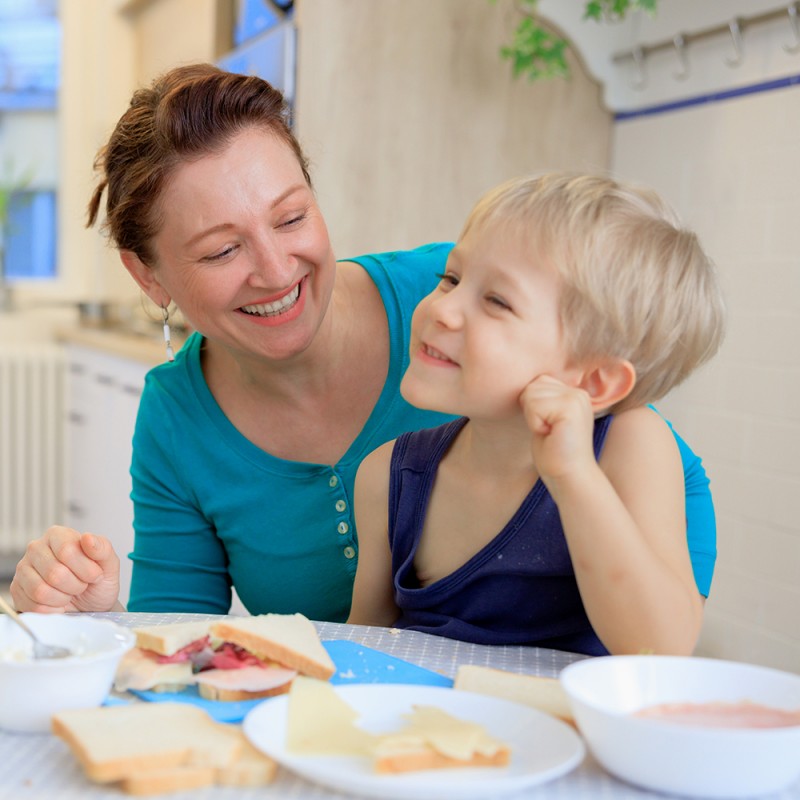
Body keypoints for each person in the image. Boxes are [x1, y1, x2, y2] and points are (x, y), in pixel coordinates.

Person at [11, 65, 715, 622]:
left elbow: (632, 437)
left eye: (290, 217)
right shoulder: (182, 415)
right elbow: (180, 637)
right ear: (149, 275)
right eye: (223, 249)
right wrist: (98, 622)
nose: (276, 269)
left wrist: (623, 620)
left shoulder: (451, 302)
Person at [347, 173, 726, 655]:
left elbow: (662, 650)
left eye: (497, 301)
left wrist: (573, 475)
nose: (444, 309)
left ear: (593, 383)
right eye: (452, 278)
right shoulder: (386, 475)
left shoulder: (631, 445)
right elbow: (360, 643)